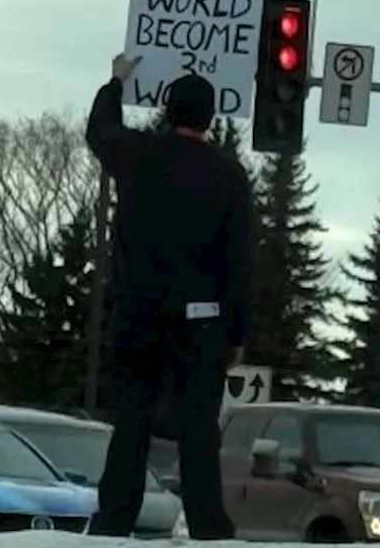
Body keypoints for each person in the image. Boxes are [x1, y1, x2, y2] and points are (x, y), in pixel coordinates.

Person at [85, 54, 253, 540]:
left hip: (136, 314)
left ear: (167, 109)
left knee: (131, 422)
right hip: (201, 321)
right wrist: (236, 331)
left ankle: (115, 518)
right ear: (210, 117)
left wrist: (116, 81)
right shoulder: (228, 176)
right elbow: (239, 259)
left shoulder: (139, 156)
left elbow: (101, 132)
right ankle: (207, 524)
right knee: (199, 429)